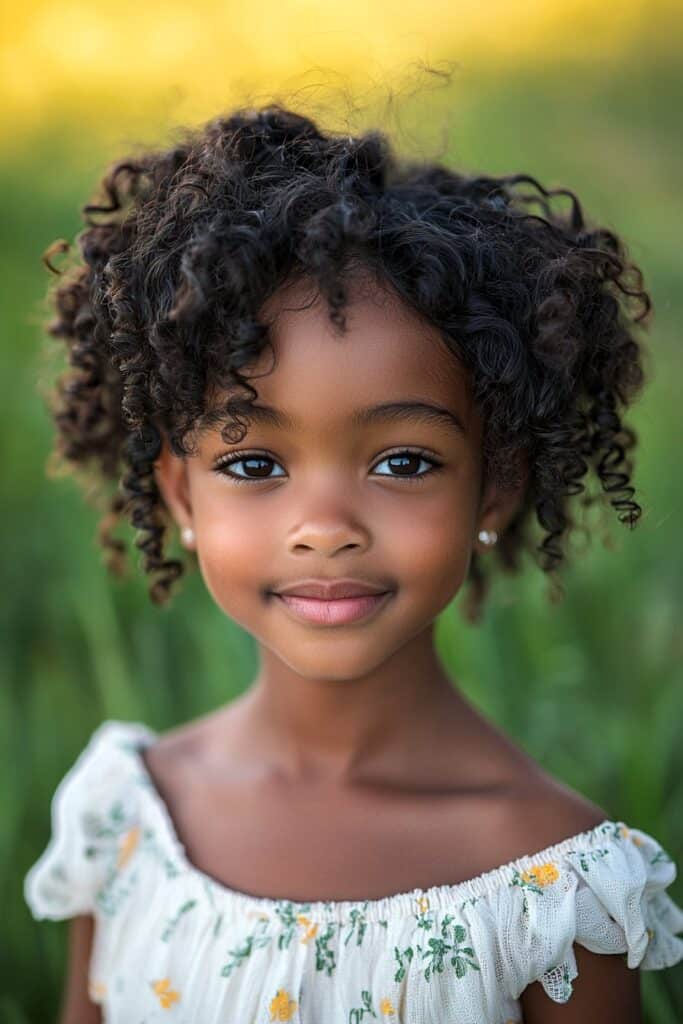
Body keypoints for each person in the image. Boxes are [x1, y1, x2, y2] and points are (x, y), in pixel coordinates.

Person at [24, 102, 683, 1024]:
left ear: (492, 489)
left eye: (402, 462)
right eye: (253, 464)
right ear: (179, 496)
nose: (323, 526)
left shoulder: (551, 888)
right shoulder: (127, 823)